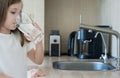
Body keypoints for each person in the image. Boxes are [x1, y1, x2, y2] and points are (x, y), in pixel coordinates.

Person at [0, 0, 45, 78]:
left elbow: (38, 60)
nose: (18, 17)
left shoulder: (19, 36)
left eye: (19, 13)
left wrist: (39, 40)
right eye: (13, 12)